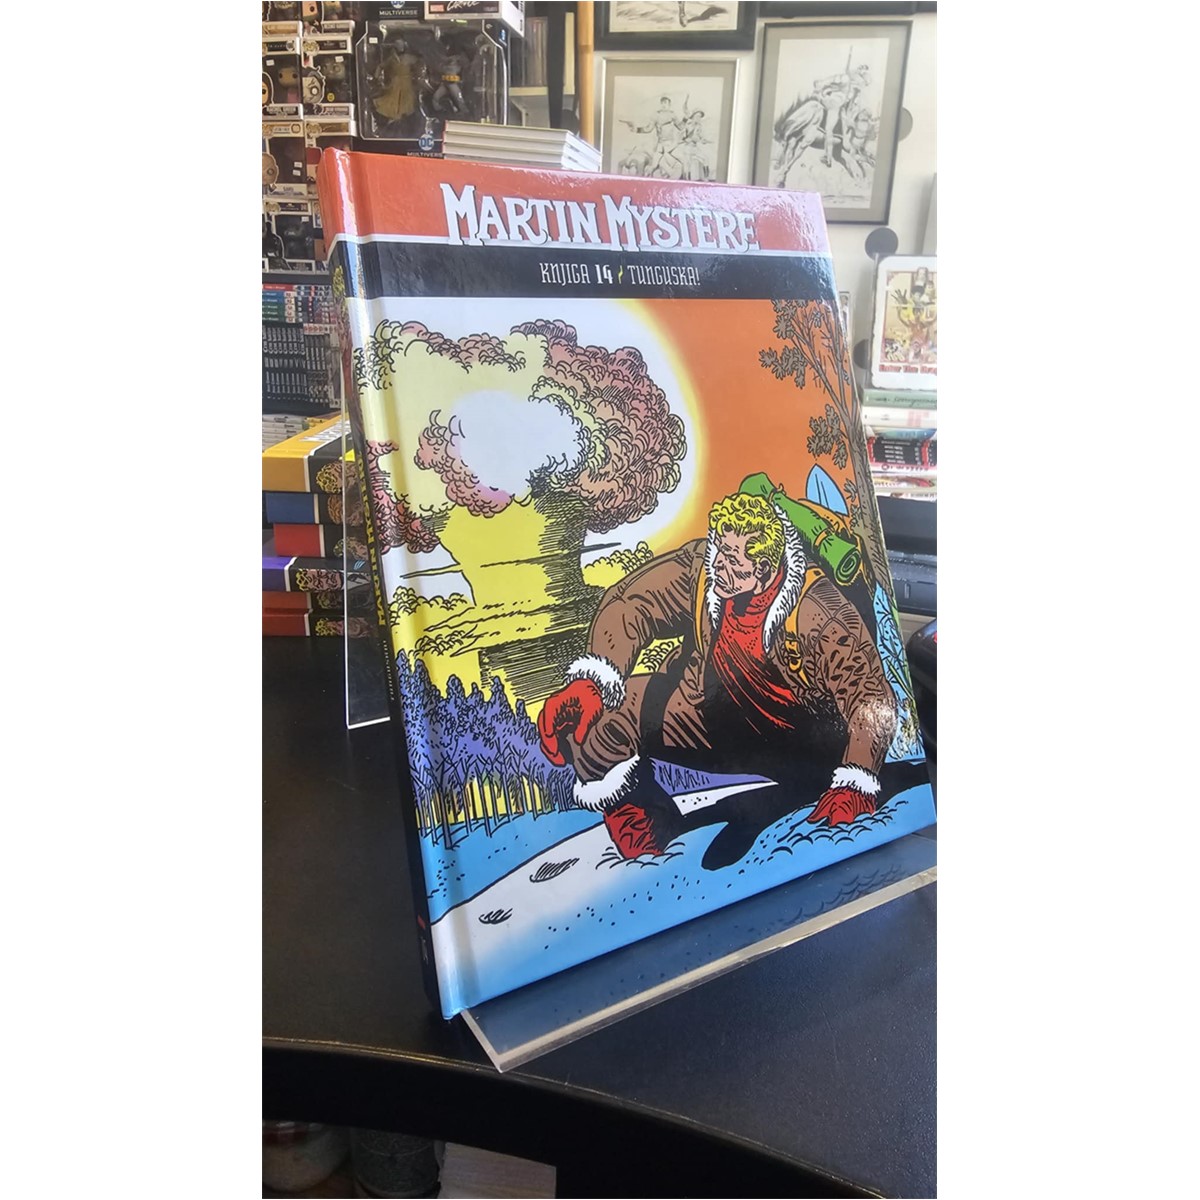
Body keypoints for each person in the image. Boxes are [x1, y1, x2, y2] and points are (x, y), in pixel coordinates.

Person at [537, 490, 904, 869]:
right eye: (718, 551)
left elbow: (869, 697)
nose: (718, 566)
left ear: (764, 570)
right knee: (603, 716)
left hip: (803, 739)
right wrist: (591, 683)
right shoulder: (705, 572)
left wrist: (857, 779)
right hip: (711, 714)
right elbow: (631, 603)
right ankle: (642, 820)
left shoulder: (818, 613)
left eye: (731, 561)